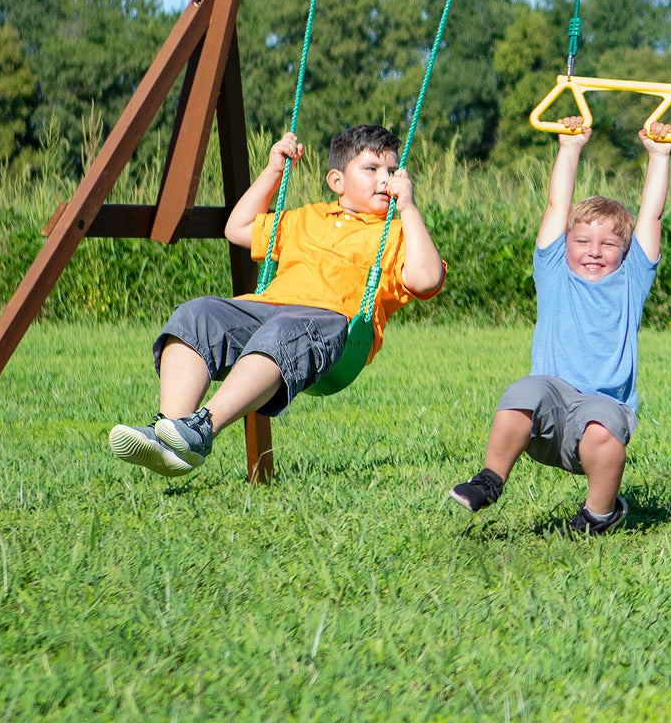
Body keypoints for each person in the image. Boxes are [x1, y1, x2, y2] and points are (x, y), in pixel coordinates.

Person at [107, 123, 444, 477]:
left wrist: (408, 210)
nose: (385, 179)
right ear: (337, 181)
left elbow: (426, 279)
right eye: (371, 169)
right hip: (268, 307)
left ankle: (202, 428)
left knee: (285, 329)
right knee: (198, 314)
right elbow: (236, 228)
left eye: (392, 171)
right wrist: (273, 172)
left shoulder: (396, 232)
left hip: (334, 322)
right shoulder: (307, 218)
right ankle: (170, 435)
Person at [448, 120, 671, 533]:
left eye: (608, 244)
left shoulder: (632, 278)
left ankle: (598, 515)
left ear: (625, 251)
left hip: (602, 408)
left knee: (603, 429)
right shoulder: (553, 270)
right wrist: (569, 147)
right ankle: (490, 479)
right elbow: (556, 207)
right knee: (524, 390)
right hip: (547, 412)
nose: (594, 251)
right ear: (565, 244)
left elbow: (652, 214)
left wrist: (659, 156)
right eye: (583, 241)